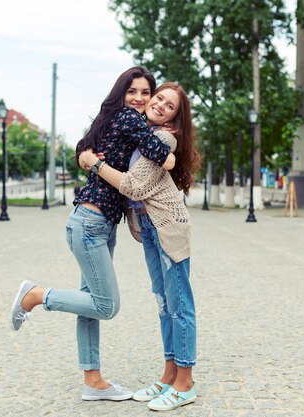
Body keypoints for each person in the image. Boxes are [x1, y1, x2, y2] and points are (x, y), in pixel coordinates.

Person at [8, 66, 176, 401]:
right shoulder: (129, 119)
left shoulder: (112, 119)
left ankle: (93, 381)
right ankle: (37, 295)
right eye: (134, 91)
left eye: (146, 92)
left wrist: (88, 158)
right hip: (90, 224)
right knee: (107, 305)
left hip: (96, 224)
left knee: (89, 305)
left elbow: (83, 149)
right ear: (122, 93)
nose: (140, 98)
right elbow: (160, 156)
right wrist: (169, 154)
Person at [78, 82, 201, 411]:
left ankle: (185, 383)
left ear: (174, 117)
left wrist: (94, 164)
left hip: (168, 227)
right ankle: (168, 376)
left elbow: (133, 185)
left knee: (179, 304)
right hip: (149, 226)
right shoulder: (141, 133)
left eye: (169, 105)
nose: (160, 104)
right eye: (158, 97)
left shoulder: (163, 138)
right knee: (163, 303)